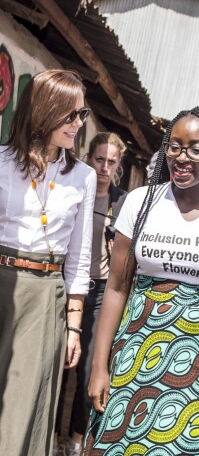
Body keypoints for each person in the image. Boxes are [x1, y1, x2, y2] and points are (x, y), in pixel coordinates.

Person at [84, 107, 199, 455]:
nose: (182, 157)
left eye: (197, 149)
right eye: (175, 146)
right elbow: (118, 288)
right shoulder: (141, 202)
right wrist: (99, 365)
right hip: (134, 356)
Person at [0, 69, 96, 456]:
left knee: (24, 405)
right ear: (44, 111)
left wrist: (74, 326)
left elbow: (80, 256)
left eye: (82, 114)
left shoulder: (84, 177)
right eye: (70, 115)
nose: (78, 124)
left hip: (44, 297)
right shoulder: (3, 162)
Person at [55, 132, 128, 455]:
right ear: (89, 157)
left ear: (119, 165)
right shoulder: (72, 188)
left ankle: (75, 438)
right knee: (57, 365)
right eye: (99, 159)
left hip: (99, 293)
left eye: (111, 162)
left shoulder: (122, 202)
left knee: (88, 370)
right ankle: (51, 434)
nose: (104, 167)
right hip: (67, 287)